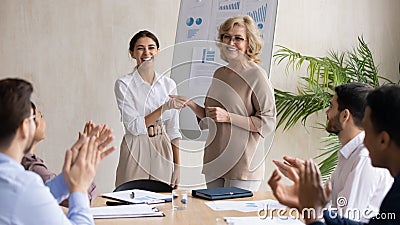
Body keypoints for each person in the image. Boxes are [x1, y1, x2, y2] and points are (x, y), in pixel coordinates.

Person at [171, 15, 276, 191]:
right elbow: (210, 118)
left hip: (244, 164)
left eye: (238, 38)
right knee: (212, 217)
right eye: (226, 37)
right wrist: (190, 104)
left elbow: (267, 122)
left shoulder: (257, 75)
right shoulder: (219, 73)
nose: (230, 42)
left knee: (233, 217)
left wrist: (228, 117)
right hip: (215, 161)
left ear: (249, 42)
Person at [268, 83, 393, 222]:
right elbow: (331, 203)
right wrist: (308, 180)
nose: (327, 112)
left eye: (331, 106)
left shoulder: (364, 158)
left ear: (345, 115)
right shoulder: (349, 153)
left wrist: (308, 203)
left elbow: (344, 218)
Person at [0, 78, 115, 224]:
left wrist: (68, 177)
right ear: (24, 127)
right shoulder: (22, 186)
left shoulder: (16, 185)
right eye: (34, 118)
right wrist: (79, 188)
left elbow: (37, 197)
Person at [298, 85, 400, 225]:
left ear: (383, 140)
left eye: (367, 131)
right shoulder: (349, 153)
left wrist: (313, 213)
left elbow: (348, 216)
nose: (363, 139)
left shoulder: (363, 158)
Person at [114, 30, 182, 188]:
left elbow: (173, 129)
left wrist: (177, 167)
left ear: (157, 51)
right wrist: (164, 108)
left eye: (151, 47)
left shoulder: (169, 84)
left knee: (162, 202)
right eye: (140, 48)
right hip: (136, 147)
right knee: (129, 201)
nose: (146, 52)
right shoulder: (123, 84)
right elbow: (134, 127)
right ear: (132, 53)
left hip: (162, 146)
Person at [21, 103, 97, 207]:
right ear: (26, 126)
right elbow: (78, 198)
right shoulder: (32, 168)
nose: (44, 121)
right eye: (40, 116)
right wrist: (83, 158)